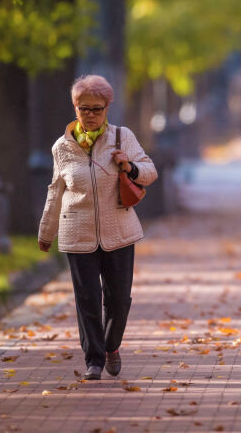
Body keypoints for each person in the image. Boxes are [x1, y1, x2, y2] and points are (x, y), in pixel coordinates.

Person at [37, 75, 157, 381]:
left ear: (107, 109)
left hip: (119, 232)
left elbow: (150, 172)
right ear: (75, 107)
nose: (91, 114)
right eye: (84, 108)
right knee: (87, 299)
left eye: (97, 108)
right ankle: (93, 360)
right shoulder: (62, 147)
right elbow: (56, 190)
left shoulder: (122, 137)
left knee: (119, 300)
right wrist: (46, 232)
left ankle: (111, 345)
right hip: (77, 232)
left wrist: (129, 167)